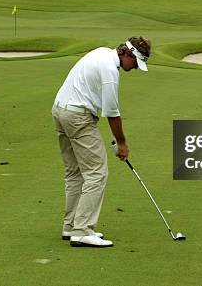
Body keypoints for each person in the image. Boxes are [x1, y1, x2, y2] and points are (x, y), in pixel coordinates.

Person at [52, 37, 151, 248]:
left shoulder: (102, 52)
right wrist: (122, 143)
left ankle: (71, 226)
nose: (134, 68)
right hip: (77, 116)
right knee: (96, 172)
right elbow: (112, 114)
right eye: (135, 63)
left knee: (75, 172)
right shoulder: (110, 72)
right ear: (128, 54)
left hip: (60, 110)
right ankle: (82, 230)